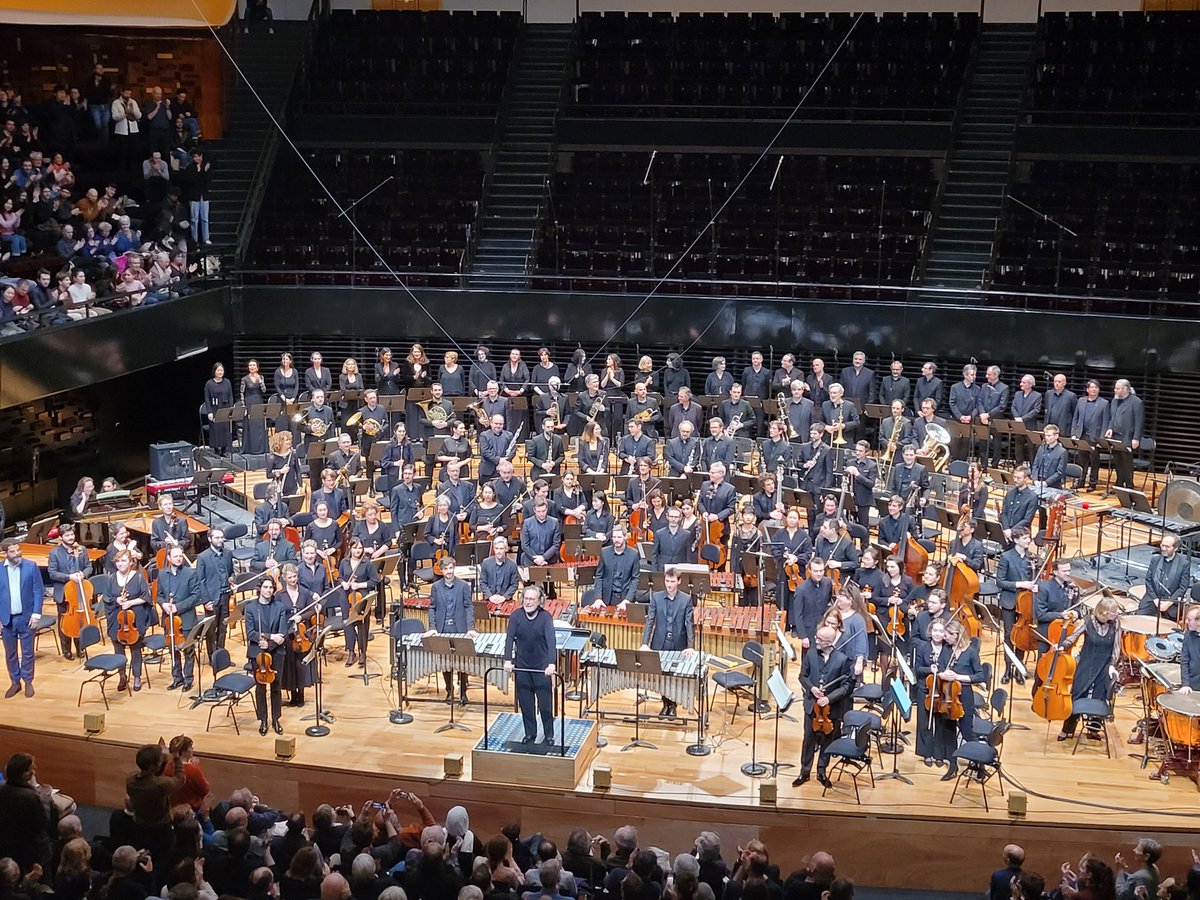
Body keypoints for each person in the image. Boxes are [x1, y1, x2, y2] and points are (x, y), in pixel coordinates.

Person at [792, 625, 853, 788]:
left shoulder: (842, 660)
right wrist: (811, 688)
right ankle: (804, 772)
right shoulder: (811, 654)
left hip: (830, 709)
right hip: (812, 706)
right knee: (808, 739)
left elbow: (847, 686)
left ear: (829, 642)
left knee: (827, 740)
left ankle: (821, 771)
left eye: (819, 639)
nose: (816, 641)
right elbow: (802, 676)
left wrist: (829, 698)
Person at [1058, 597, 1122, 742]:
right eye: (1113, 612)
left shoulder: (1116, 623)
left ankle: (1093, 730)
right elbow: (1072, 637)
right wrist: (1062, 646)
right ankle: (1067, 729)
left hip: (1104, 665)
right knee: (1077, 694)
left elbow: (1117, 647)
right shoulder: (1087, 622)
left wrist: (1112, 664)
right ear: (1104, 612)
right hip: (1086, 664)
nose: (1116, 614)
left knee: (1100, 695)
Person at [504, 586, 557, 747]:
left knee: (545, 706)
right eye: (526, 599)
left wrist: (551, 663)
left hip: (541, 669)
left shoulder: (546, 617)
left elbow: (551, 641)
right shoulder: (516, 616)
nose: (528, 602)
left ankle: (549, 735)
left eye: (532, 599)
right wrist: (508, 660)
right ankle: (530, 733)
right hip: (522, 668)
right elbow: (509, 639)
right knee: (526, 705)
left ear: (539, 600)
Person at [640, 568, 696, 718]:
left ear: (679, 581)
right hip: (660, 642)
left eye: (672, 581)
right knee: (662, 676)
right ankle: (665, 704)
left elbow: (690, 624)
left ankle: (673, 705)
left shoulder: (686, 599)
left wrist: (690, 646)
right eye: (667, 581)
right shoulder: (657, 597)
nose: (669, 584)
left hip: (678, 643)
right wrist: (645, 643)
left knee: (674, 676)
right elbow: (650, 621)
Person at [100, 549, 154, 692]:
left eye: (123, 561)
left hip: (134, 619)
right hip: (116, 618)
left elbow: (146, 597)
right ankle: (122, 676)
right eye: (118, 561)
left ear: (131, 562)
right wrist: (116, 600)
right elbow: (106, 598)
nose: (120, 564)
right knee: (118, 649)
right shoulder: (111, 578)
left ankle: (137, 676)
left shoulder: (138, 577)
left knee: (135, 649)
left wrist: (131, 603)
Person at [426, 556, 476, 706]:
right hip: (442, 629)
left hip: (459, 628)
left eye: (451, 568)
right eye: (446, 569)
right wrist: (432, 627)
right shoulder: (436, 587)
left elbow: (469, 607)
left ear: (454, 568)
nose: (449, 571)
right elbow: (432, 608)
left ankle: (463, 692)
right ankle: (449, 690)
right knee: (445, 662)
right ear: (441, 570)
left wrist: (470, 628)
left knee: (462, 663)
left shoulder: (463, 586)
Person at [126, 742, 185, 862]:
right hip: (161, 829)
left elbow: (152, 776)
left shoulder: (130, 780)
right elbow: (181, 779)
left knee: (144, 855)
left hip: (140, 825)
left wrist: (162, 760)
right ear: (153, 766)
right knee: (163, 857)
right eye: (159, 762)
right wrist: (176, 757)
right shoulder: (159, 785)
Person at [247, 577, 288, 735]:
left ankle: (275, 719)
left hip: (276, 651)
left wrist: (270, 643)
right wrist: (269, 637)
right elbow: (251, 633)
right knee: (261, 687)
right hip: (258, 652)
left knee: (276, 686)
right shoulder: (251, 608)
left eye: (271, 587)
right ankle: (263, 720)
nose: (269, 590)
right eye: (265, 587)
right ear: (260, 588)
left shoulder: (279, 607)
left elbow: (282, 632)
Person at [0, 540, 42, 698]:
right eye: (13, 551)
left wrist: (36, 614)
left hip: (27, 617)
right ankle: (15, 681)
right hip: (7, 619)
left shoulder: (31, 566)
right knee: (10, 653)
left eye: (18, 550)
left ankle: (28, 681)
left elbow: (38, 591)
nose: (18, 553)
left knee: (28, 652)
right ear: (5, 553)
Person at [157, 545, 201, 691]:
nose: (178, 558)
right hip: (169, 620)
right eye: (175, 556)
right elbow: (159, 595)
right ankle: (177, 678)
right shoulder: (163, 574)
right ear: (169, 558)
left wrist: (178, 607)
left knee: (188, 651)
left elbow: (196, 596)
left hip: (186, 618)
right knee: (173, 650)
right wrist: (163, 604)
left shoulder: (190, 573)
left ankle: (188, 679)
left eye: (180, 556)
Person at [996, 526, 1036, 684]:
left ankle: (1019, 668)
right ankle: (1007, 669)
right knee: (1008, 636)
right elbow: (1000, 581)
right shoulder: (1006, 557)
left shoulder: (1031, 558)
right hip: (1010, 602)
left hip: (1026, 604)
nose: (1029, 541)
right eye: (1025, 538)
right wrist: (1020, 584)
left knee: (1022, 637)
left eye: (1029, 538)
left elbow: (1035, 579)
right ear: (1016, 540)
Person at [0, 753, 52, 873]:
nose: (34, 771)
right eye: (31, 769)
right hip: (33, 849)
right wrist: (38, 789)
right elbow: (44, 820)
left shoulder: (2, 789)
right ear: (24, 774)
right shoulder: (30, 797)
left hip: (7, 845)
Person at [48, 524, 92, 659]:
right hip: (65, 594)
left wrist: (83, 574)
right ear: (61, 538)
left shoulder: (82, 549)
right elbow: (52, 573)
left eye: (72, 534)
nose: (71, 537)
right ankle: (66, 650)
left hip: (80, 591)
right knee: (65, 622)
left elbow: (89, 566)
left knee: (80, 620)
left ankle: (80, 647)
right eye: (67, 535)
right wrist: (69, 577)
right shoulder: (54, 553)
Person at [587, 525, 642, 610]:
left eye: (619, 537)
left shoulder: (634, 554)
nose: (616, 540)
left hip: (625, 598)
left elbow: (635, 579)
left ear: (625, 537)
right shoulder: (604, 552)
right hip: (607, 599)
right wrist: (598, 598)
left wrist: (628, 599)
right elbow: (599, 576)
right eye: (614, 537)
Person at [1139, 535, 1191, 621]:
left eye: (1167, 546)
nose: (1163, 548)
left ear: (1175, 548)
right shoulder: (1155, 560)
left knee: (1169, 625)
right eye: (1162, 545)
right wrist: (1155, 599)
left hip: (1171, 603)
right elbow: (1148, 581)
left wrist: (1169, 602)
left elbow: (1182, 588)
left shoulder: (1184, 564)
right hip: (1153, 599)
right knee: (1140, 619)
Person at [1105, 379, 1144, 490]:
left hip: (1128, 437)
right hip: (1116, 436)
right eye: (1115, 388)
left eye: (1117, 388)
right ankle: (1119, 483)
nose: (1115, 390)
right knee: (1117, 461)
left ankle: (1129, 485)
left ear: (1125, 389)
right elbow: (1112, 418)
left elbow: (1139, 422)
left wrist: (1136, 438)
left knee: (1126, 462)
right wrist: (1110, 428)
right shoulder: (1114, 401)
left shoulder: (1136, 402)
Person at [1071, 380, 1109, 491]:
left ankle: (1093, 483)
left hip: (1095, 437)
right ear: (1087, 389)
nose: (1094, 389)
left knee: (1094, 461)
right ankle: (1081, 481)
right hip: (1082, 435)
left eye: (1096, 387)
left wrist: (1101, 439)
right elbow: (1075, 418)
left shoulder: (1104, 403)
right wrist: (1074, 433)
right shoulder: (1081, 401)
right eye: (1092, 387)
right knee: (1082, 460)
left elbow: (1105, 422)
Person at [1178, 606, 1200, 693]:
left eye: (1189, 620)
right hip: (1192, 684)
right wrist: (1185, 684)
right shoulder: (1188, 636)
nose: (1186, 622)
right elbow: (1184, 661)